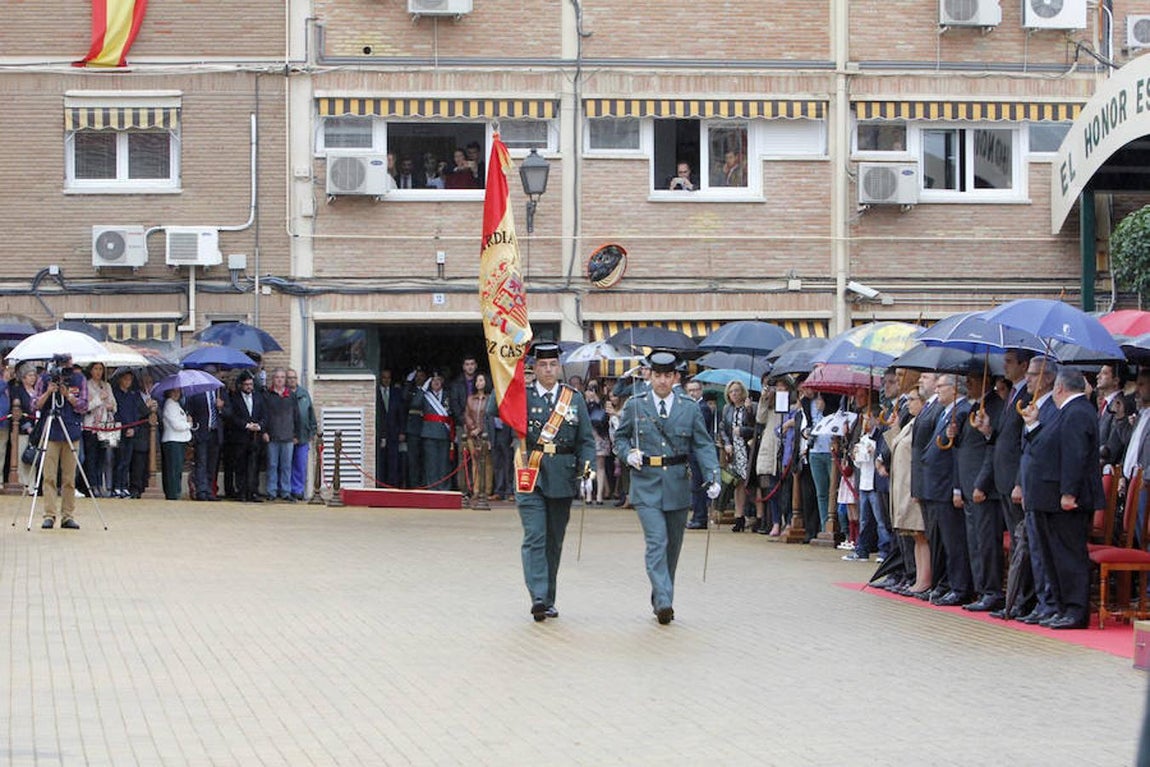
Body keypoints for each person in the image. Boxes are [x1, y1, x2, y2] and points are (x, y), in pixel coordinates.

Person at [615, 350, 721, 625]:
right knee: (656, 542)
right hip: (646, 482)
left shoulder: (688, 407)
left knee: (672, 547)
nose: (662, 381)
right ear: (649, 375)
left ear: (676, 377)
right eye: (657, 375)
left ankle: (661, 595)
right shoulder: (636, 404)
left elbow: (703, 443)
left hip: (676, 483)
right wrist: (628, 454)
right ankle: (664, 600)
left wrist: (713, 476)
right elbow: (620, 438)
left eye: (667, 375)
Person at [512, 342, 596, 622]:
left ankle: (548, 598)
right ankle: (537, 595)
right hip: (530, 476)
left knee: (553, 541)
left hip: (562, 475)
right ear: (534, 368)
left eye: (552, 365)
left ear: (558, 367)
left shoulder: (573, 398)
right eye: (542, 365)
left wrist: (587, 472)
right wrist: (507, 377)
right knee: (535, 536)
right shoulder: (521, 396)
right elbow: (493, 409)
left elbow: (585, 441)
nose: (548, 370)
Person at [1020, 367, 1102, 629]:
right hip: (1048, 495)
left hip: (1065, 498)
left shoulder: (1077, 411)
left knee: (1068, 555)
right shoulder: (1064, 412)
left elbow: (1074, 455)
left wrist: (1069, 492)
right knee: (1053, 555)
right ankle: (1061, 606)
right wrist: (1033, 424)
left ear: (1059, 388)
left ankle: (1075, 610)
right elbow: (1046, 446)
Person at [34, 353, 88, 529]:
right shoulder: (45, 379)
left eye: (68, 364)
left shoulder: (79, 379)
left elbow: (84, 406)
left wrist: (68, 396)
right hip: (51, 431)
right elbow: (35, 404)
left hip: (71, 431)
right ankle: (49, 515)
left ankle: (67, 515)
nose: (65, 369)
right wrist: (49, 391)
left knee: (69, 477)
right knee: (49, 476)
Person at [720, 379, 755, 531]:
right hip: (734, 449)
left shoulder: (750, 407)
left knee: (751, 483)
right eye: (731, 391)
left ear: (743, 393)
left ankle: (756, 516)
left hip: (747, 448)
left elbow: (755, 428)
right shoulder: (727, 409)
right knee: (736, 483)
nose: (734, 394)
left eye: (737, 391)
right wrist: (727, 443)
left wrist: (748, 412)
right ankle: (739, 517)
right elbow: (723, 428)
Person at [187, 368, 226, 502]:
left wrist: (221, 408)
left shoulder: (220, 392)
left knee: (212, 464)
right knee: (201, 462)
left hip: (216, 433)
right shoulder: (196, 393)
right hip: (202, 432)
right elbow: (190, 410)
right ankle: (201, 491)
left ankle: (210, 490)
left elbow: (229, 412)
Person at [229, 371, 267, 503]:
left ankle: (253, 492)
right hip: (240, 437)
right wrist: (246, 425)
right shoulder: (234, 398)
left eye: (251, 384)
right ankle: (242, 492)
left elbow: (264, 415)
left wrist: (259, 426)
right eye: (246, 385)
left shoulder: (258, 397)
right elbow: (232, 417)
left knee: (254, 465)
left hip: (255, 437)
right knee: (240, 466)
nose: (249, 387)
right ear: (241, 385)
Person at [81, 362, 117, 497]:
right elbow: (86, 406)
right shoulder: (87, 385)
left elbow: (114, 404)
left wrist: (109, 405)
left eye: (101, 369)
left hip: (105, 425)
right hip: (91, 426)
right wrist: (98, 399)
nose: (98, 372)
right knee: (91, 456)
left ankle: (102, 484)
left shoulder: (107, 385)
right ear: (91, 370)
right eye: (96, 369)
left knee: (104, 456)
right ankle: (92, 485)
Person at [264, 368, 300, 503]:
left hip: (288, 436)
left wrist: (296, 434)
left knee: (286, 466)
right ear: (273, 379)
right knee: (272, 465)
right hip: (272, 436)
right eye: (277, 377)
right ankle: (271, 491)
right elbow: (264, 415)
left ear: (285, 380)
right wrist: (264, 432)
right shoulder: (267, 395)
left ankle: (286, 491)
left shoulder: (291, 395)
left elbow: (296, 416)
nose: (279, 379)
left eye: (282, 377)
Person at [415, 370, 453, 491]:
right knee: (431, 463)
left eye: (438, 380)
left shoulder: (448, 394)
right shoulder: (426, 396)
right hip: (429, 433)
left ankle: (444, 487)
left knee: (443, 463)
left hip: (444, 433)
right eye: (433, 380)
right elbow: (415, 404)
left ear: (442, 381)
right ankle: (432, 487)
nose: (436, 382)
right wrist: (423, 389)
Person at [685, 378, 715, 529]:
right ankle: (697, 515)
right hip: (692, 451)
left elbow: (699, 430)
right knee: (695, 485)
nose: (692, 393)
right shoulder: (692, 406)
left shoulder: (702, 407)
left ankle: (700, 517)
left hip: (699, 452)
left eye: (695, 390)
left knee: (698, 485)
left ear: (700, 391)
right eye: (689, 390)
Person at [286, 369, 317, 501]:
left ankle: (298, 490)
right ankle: (287, 490)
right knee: (287, 465)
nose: (292, 380)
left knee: (300, 464)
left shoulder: (304, 394)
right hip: (287, 436)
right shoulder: (284, 394)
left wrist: (312, 431)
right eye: (289, 378)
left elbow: (311, 415)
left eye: (294, 377)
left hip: (303, 436)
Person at [464, 372, 493, 507]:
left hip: (485, 434)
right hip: (472, 434)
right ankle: (476, 489)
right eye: (477, 381)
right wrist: (473, 428)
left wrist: (480, 429)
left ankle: (486, 489)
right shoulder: (471, 398)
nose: (479, 383)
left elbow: (489, 416)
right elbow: (467, 415)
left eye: (481, 380)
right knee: (475, 461)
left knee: (486, 461)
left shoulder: (490, 398)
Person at [160, 387, 191, 500]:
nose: (177, 393)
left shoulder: (176, 404)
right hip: (173, 440)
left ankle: (175, 492)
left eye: (178, 391)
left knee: (177, 469)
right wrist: (189, 424)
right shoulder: (170, 405)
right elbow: (176, 425)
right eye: (174, 391)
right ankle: (173, 494)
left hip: (179, 440)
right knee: (173, 470)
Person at [376, 368, 405, 487]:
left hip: (394, 431)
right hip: (380, 432)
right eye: (384, 377)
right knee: (381, 461)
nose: (386, 380)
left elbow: (401, 413)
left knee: (394, 460)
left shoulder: (396, 392)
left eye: (388, 378)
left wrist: (402, 431)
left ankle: (392, 485)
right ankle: (380, 485)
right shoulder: (375, 392)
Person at [14, 364, 39, 496]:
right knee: (22, 456)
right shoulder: (18, 391)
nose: (32, 378)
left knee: (33, 456)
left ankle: (32, 485)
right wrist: (27, 426)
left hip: (36, 427)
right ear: (23, 378)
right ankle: (22, 483)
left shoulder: (36, 390)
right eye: (30, 375)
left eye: (34, 375)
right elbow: (18, 410)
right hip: (23, 429)